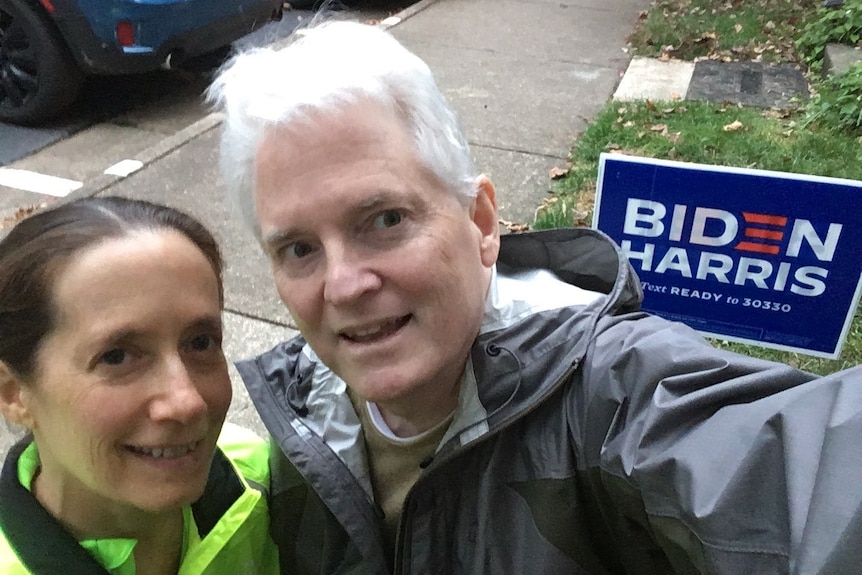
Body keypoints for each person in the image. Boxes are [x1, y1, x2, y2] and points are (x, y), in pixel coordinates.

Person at [207, 20, 862, 575]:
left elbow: (808, 476)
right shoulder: (301, 416)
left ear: (482, 222)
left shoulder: (612, 394)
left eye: (385, 220)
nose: (344, 284)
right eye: (299, 248)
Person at [0, 197, 279, 575]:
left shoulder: (263, 479)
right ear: (12, 392)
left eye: (200, 343)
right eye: (117, 357)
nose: (187, 402)